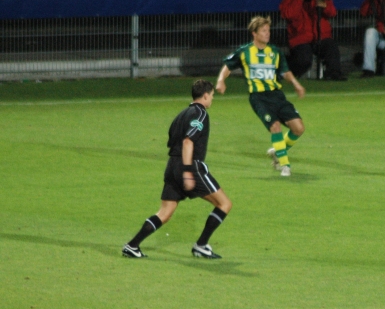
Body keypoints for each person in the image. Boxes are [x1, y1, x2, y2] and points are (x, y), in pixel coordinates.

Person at [122, 80, 232, 259]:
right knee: (224, 204)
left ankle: (132, 246)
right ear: (205, 95)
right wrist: (188, 171)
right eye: (211, 96)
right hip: (190, 166)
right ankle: (201, 245)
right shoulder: (201, 114)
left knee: (164, 213)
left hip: (172, 165)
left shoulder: (181, 115)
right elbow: (188, 141)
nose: (212, 99)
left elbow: (171, 140)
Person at [216, 16, 306, 177]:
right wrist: (221, 80)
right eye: (263, 31)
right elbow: (228, 66)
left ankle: (278, 151)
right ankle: (285, 165)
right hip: (258, 98)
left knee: (299, 128)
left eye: (268, 30)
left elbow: (285, 71)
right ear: (254, 33)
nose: (267, 34)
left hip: (277, 96)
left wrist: (296, 84)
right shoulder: (244, 52)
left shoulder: (275, 52)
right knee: (275, 127)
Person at [279, 0, 347, 81]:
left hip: (320, 36)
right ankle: (284, 71)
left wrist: (324, 6)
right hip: (300, 38)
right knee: (304, 61)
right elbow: (287, 14)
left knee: (331, 47)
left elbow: (333, 13)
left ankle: (333, 74)